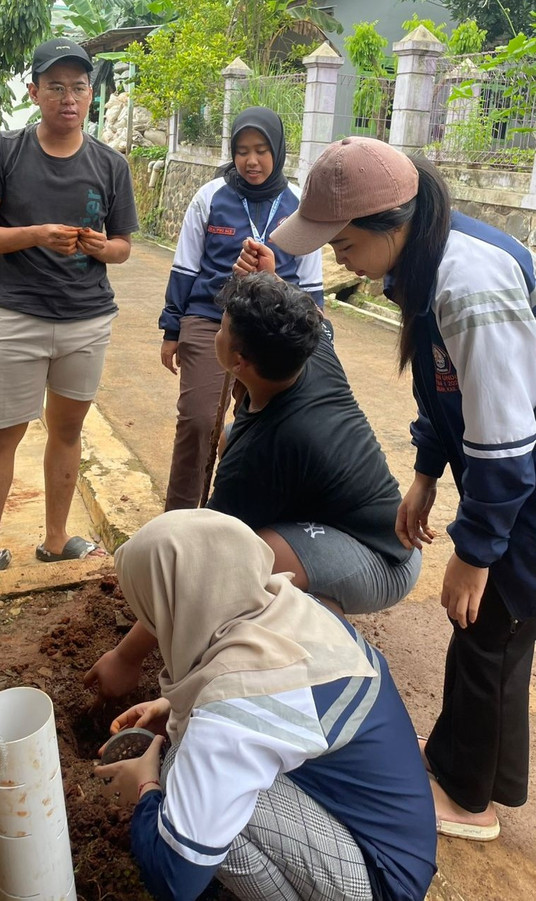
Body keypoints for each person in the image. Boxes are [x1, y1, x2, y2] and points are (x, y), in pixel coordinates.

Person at [255, 135, 536, 841]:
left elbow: (504, 438)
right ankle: (469, 766)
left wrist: (475, 550)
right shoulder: (422, 267)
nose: (333, 256)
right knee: (499, 632)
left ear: (390, 223)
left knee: (488, 631)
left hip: (523, 481)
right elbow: (447, 390)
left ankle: (470, 801)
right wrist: (425, 474)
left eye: (341, 241)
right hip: (511, 475)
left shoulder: (469, 282)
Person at [84, 272, 420, 701]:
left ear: (239, 360)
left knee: (250, 559)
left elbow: (205, 565)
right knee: (229, 434)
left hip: (385, 559)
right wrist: (270, 275)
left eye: (222, 327)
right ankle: (310, 604)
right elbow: (310, 315)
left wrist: (125, 658)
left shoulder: (264, 454)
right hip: (361, 521)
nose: (217, 330)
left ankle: (323, 640)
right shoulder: (311, 349)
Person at [95, 508, 437, 901]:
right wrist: (174, 708)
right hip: (397, 843)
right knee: (195, 767)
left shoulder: (232, 707)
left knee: (178, 774)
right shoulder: (293, 610)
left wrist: (146, 787)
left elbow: (175, 883)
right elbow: (278, 703)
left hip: (379, 881)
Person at [0, 38, 139, 575]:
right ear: (34, 92)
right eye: (55, 86)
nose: (68, 97)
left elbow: (124, 245)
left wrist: (104, 248)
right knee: (4, 429)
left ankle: (56, 539)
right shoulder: (2, 151)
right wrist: (35, 234)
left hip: (86, 319)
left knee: (67, 430)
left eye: (78, 87)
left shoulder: (110, 164)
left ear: (90, 93)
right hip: (15, 314)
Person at [160, 106, 323, 511]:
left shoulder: (299, 203)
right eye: (242, 150)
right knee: (198, 422)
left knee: (258, 428)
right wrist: (172, 330)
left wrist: (271, 280)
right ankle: (179, 519)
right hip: (208, 320)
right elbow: (184, 265)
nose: (251, 161)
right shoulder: (210, 196)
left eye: (262, 150)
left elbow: (311, 290)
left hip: (271, 332)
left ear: (279, 151)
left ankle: (234, 516)